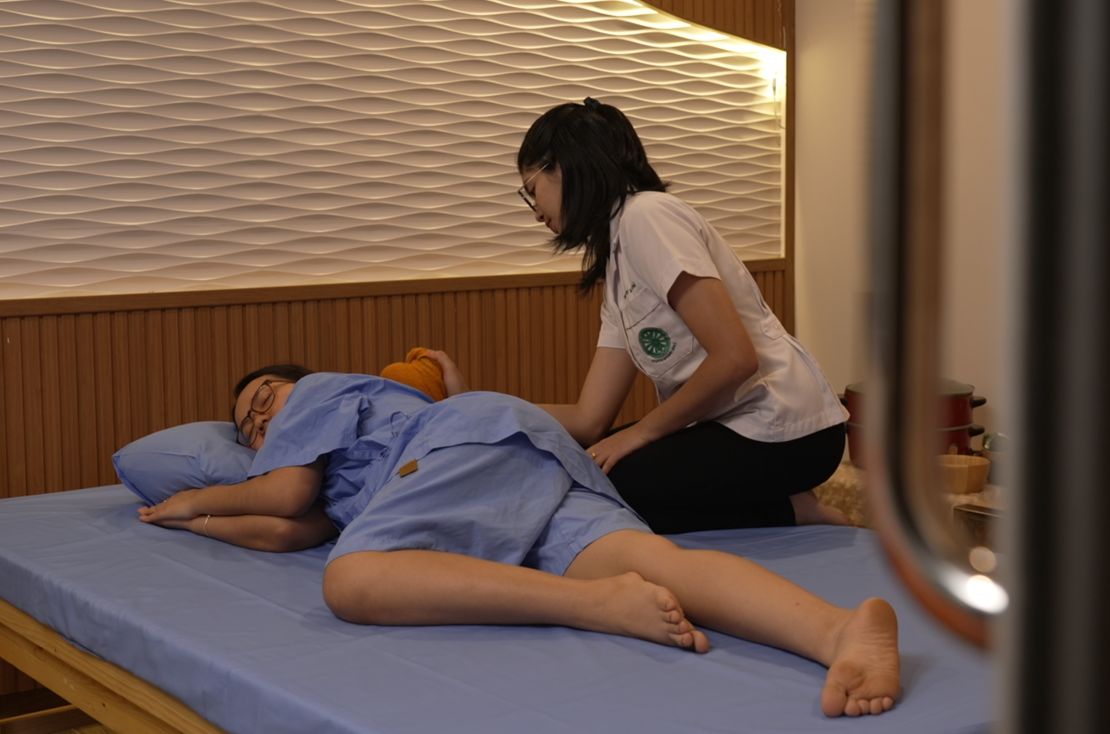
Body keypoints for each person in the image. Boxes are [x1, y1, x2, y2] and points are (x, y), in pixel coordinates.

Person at [140, 364, 900, 717]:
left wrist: (195, 495)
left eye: (263, 401)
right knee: (656, 562)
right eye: (248, 428)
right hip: (510, 462)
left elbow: (286, 495)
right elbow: (287, 529)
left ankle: (592, 605)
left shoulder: (320, 394)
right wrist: (199, 520)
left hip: (457, 447)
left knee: (350, 582)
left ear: (295, 384)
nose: (262, 422)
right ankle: (838, 629)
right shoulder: (326, 458)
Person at [516, 97, 851, 533]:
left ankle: (793, 511)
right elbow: (588, 419)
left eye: (532, 189)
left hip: (787, 430)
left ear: (565, 168)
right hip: (731, 426)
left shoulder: (647, 218)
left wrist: (641, 434)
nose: (536, 209)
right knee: (585, 466)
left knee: (611, 486)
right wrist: (483, 406)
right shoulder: (618, 263)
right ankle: (781, 503)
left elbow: (735, 358)